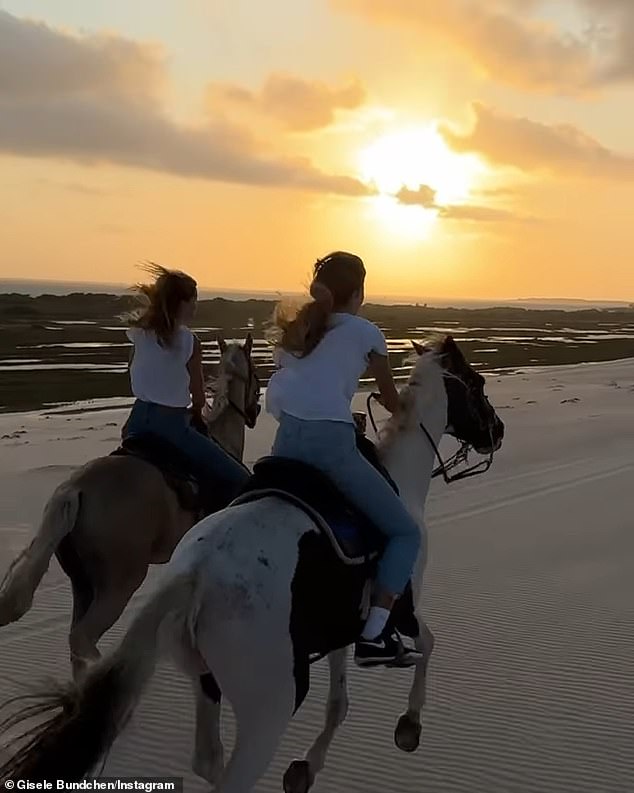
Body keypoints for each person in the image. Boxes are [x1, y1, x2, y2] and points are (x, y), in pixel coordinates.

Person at [266, 251, 424, 667]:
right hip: (330, 444)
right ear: (358, 292)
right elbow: (391, 401)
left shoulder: (301, 328)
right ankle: (374, 637)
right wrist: (408, 411)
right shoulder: (365, 330)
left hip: (283, 442)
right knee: (405, 533)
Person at [123, 262, 249, 502]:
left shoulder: (138, 334)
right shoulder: (189, 341)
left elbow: (134, 370)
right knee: (239, 478)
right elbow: (198, 396)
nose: (195, 307)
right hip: (171, 424)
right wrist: (198, 414)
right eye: (194, 301)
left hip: (137, 420)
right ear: (181, 303)